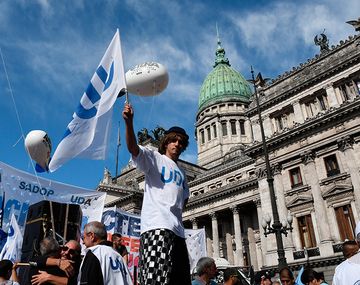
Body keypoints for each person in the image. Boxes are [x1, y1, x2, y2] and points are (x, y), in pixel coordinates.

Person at [123, 103, 191, 285]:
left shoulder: (183, 173)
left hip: (178, 231)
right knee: (155, 279)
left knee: (180, 279)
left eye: (181, 142)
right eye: (174, 140)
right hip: (157, 227)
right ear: (166, 141)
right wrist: (129, 123)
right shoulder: (155, 158)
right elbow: (133, 148)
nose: (177, 144)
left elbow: (184, 199)